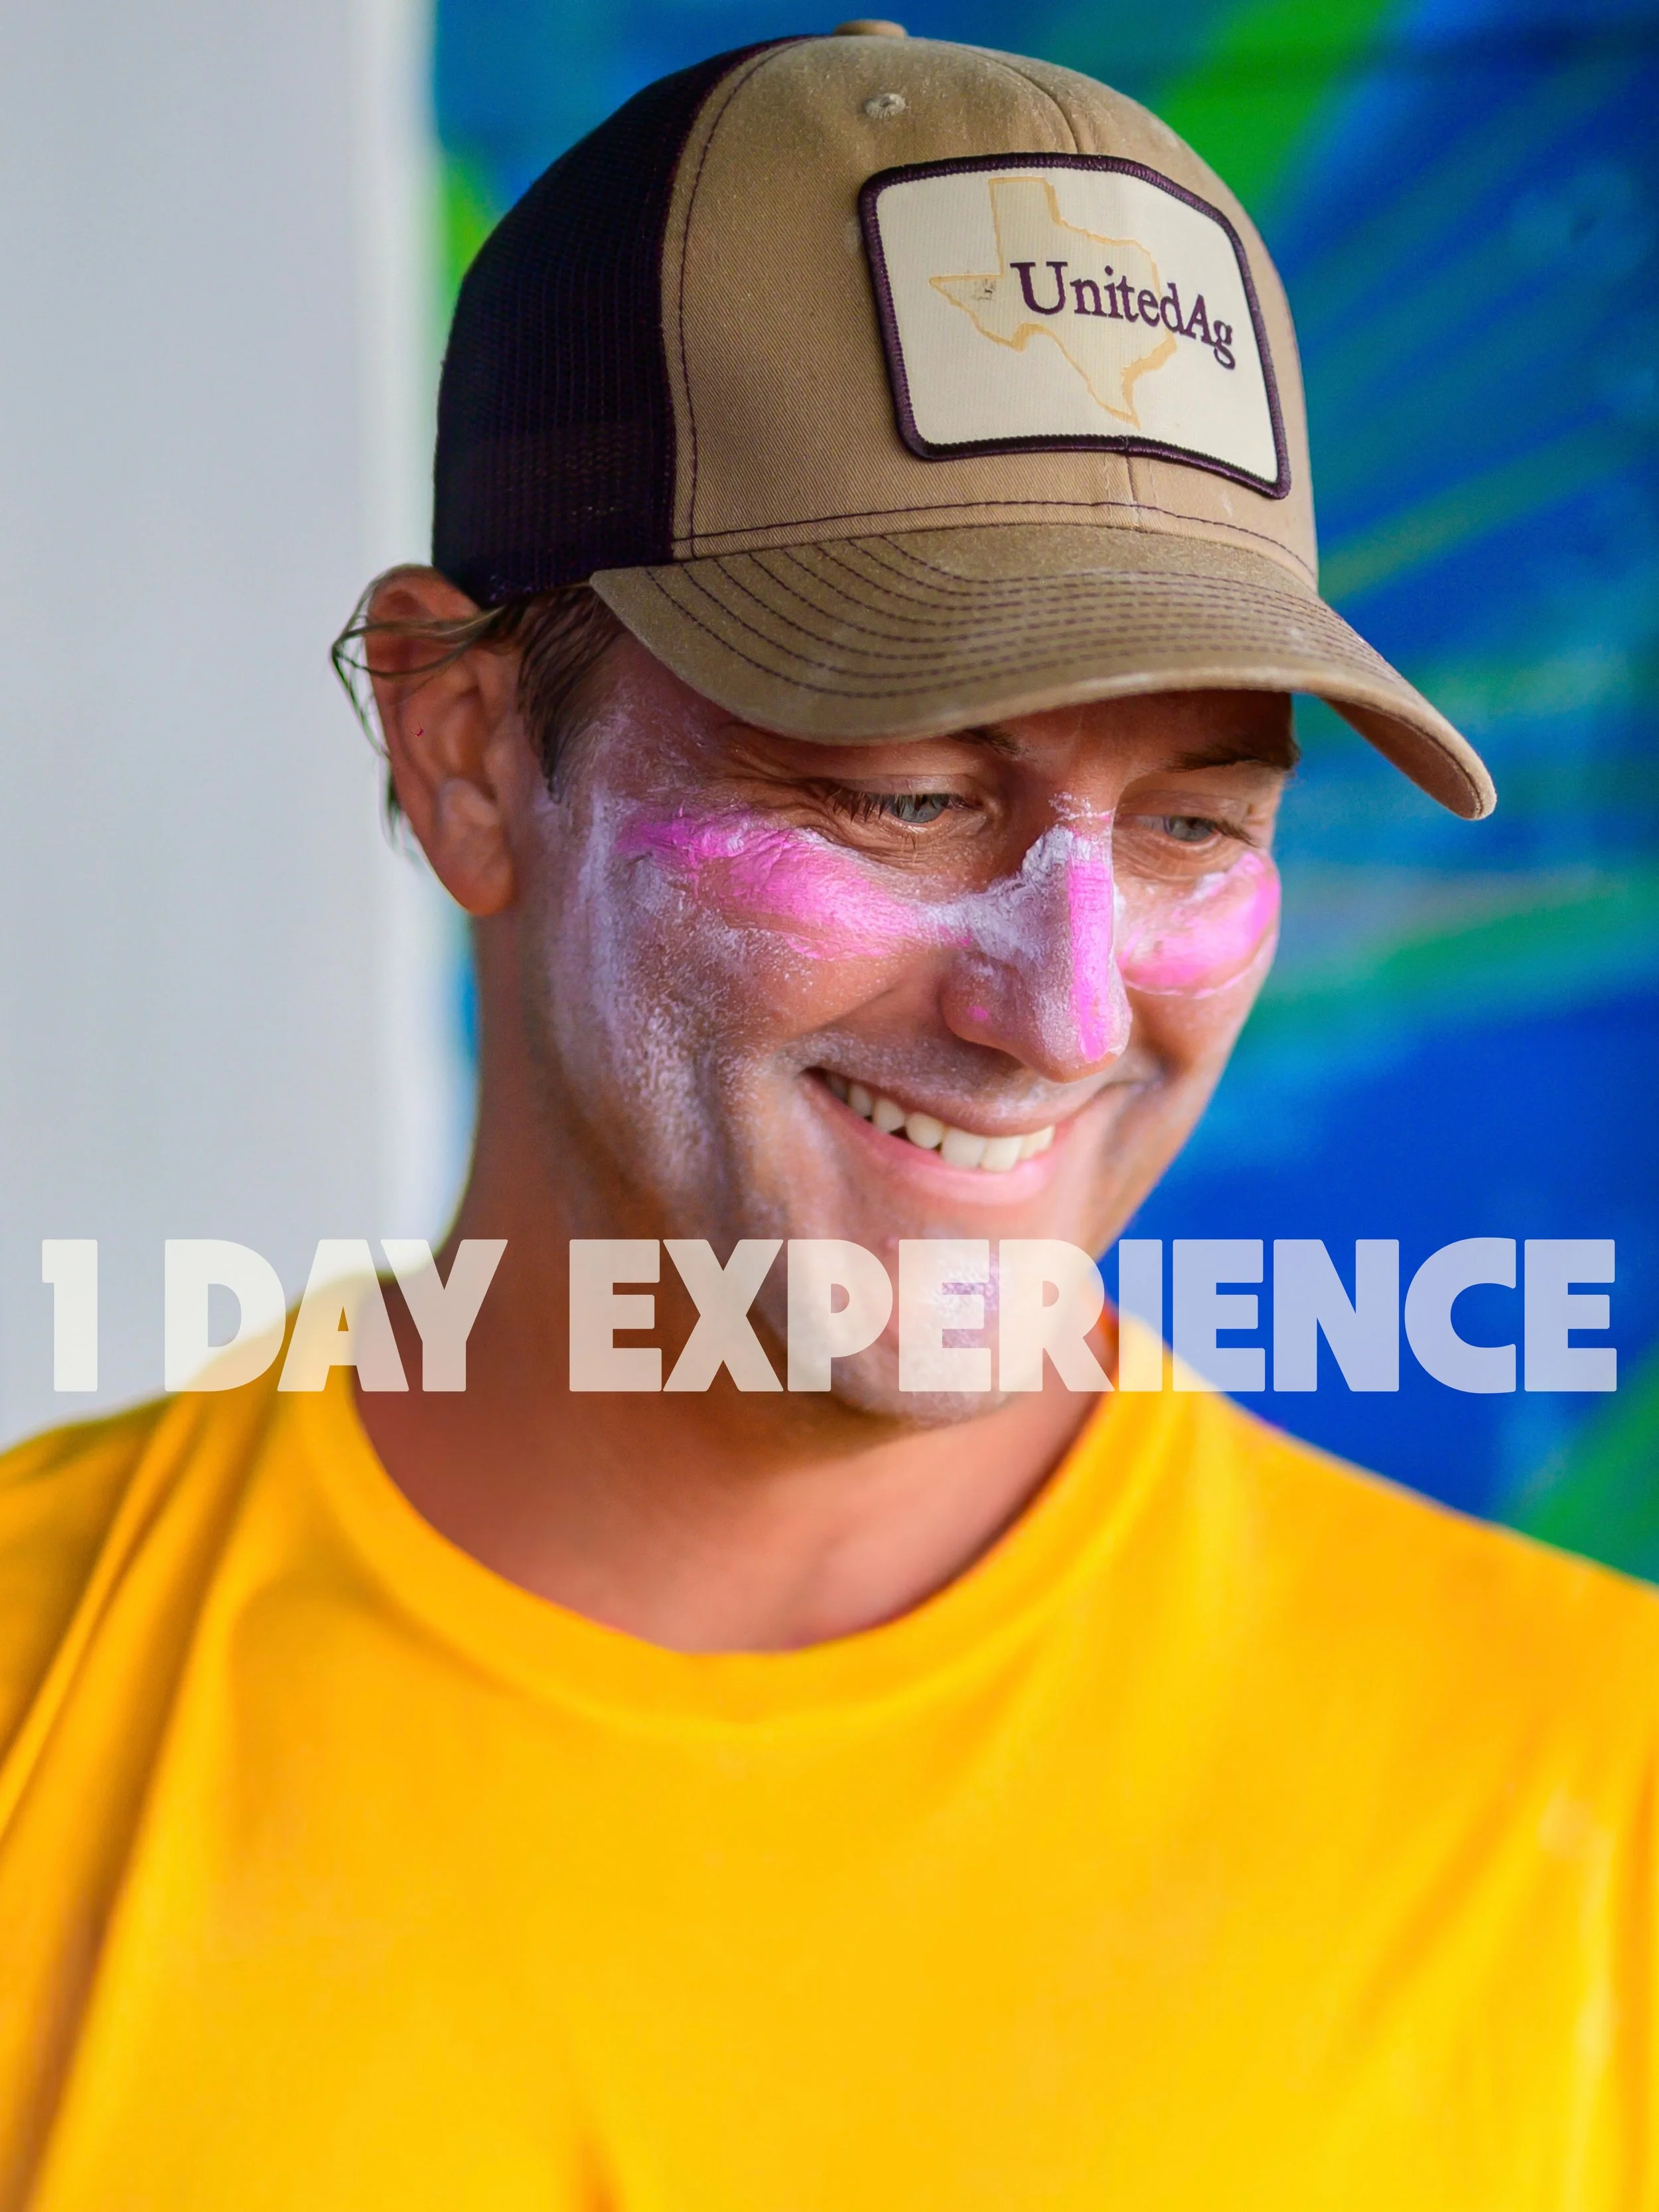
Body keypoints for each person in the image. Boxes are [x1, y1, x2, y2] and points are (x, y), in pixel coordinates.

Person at [2, 26, 1654, 2210]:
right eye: (903, 793)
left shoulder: (1589, 1804)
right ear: (470, 752)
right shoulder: (44, 1708)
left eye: (1188, 822)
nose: (1061, 1010)